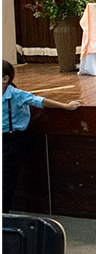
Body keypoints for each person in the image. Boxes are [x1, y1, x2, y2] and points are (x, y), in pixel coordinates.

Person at [2, 59, 80, 213]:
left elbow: (40, 101)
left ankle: (3, 212)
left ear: (5, 79)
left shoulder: (16, 95)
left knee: (6, 177)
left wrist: (66, 106)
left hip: (13, 139)